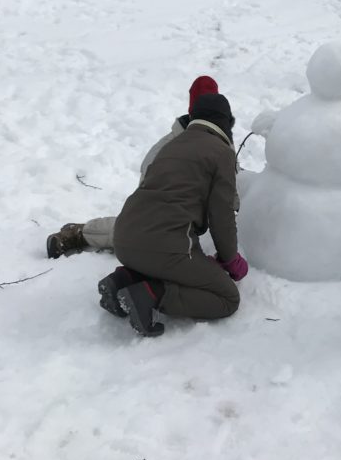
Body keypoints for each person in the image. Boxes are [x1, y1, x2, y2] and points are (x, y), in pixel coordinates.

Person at [98, 92, 247, 337]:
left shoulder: (170, 145)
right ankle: (151, 294)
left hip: (124, 239)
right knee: (227, 297)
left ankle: (123, 280)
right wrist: (230, 259)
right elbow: (222, 215)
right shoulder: (221, 153)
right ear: (225, 123)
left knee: (160, 258)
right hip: (166, 245)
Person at [46, 76, 219, 258]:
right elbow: (147, 204)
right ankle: (80, 233)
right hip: (166, 220)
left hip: (204, 219)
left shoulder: (220, 142)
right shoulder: (164, 151)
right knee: (136, 233)